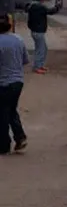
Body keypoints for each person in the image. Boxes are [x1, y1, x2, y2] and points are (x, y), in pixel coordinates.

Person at [0, 14, 28, 155]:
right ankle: (20, 137)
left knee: (3, 113)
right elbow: (25, 60)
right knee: (10, 110)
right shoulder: (19, 40)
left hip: (4, 83)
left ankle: (4, 145)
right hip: (18, 82)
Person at [26, 0, 60, 74]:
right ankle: (37, 67)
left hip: (34, 30)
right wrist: (57, 6)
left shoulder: (31, 6)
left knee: (42, 48)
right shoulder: (40, 7)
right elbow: (51, 11)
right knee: (41, 49)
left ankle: (39, 65)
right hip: (39, 31)